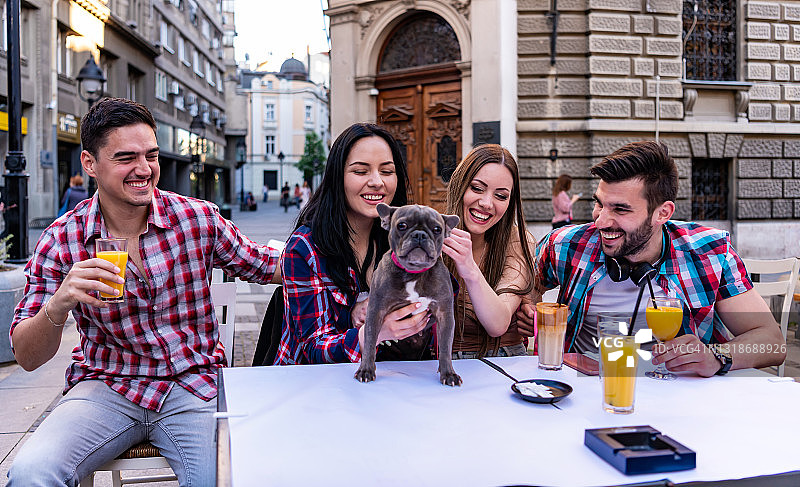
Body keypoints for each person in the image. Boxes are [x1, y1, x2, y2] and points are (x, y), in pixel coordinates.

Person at [6, 98, 280, 486]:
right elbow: (27, 357)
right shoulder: (62, 240)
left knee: (227, 478)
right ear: (89, 164)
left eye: (151, 155)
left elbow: (267, 265)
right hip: (107, 385)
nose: (144, 170)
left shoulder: (196, 218)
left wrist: (360, 254)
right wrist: (59, 303)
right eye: (125, 158)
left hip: (193, 385)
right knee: (32, 473)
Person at [519, 140, 785, 377]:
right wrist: (528, 307)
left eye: (620, 209)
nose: (600, 220)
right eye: (599, 203)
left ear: (662, 213)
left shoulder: (710, 253)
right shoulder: (566, 244)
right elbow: (526, 290)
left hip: (680, 400)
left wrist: (716, 357)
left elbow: (772, 341)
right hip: (583, 390)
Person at [274, 122, 431, 365]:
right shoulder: (305, 248)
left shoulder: (401, 238)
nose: (377, 181)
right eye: (360, 171)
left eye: (387, 171)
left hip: (387, 381)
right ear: (338, 177)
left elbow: (436, 298)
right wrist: (375, 332)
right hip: (312, 386)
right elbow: (314, 348)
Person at [441, 144, 536, 359]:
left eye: (500, 196)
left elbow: (497, 324)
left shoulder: (517, 241)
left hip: (505, 360)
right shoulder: (433, 234)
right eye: (476, 188)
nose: (486, 203)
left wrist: (469, 269)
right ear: (460, 186)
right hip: (442, 363)